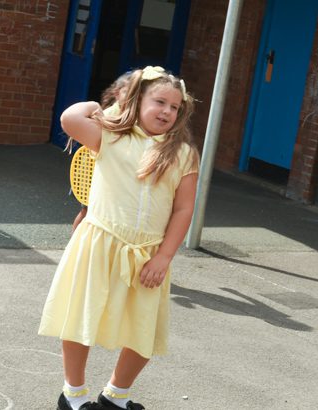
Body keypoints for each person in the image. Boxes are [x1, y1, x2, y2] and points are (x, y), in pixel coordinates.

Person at [39, 65, 199, 410]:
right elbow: (70, 118)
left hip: (148, 255)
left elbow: (184, 209)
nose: (167, 111)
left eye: (175, 107)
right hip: (99, 243)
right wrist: (108, 108)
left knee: (143, 330)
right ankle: (73, 395)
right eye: (159, 102)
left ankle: (116, 395)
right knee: (81, 319)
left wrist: (164, 257)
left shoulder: (183, 154)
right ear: (137, 100)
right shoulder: (109, 136)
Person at [71, 72, 132, 232]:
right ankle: (74, 242)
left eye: (137, 94)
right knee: (87, 211)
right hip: (92, 170)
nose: (133, 97)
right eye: (128, 92)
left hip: (111, 171)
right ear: (117, 93)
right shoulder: (107, 115)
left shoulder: (136, 117)